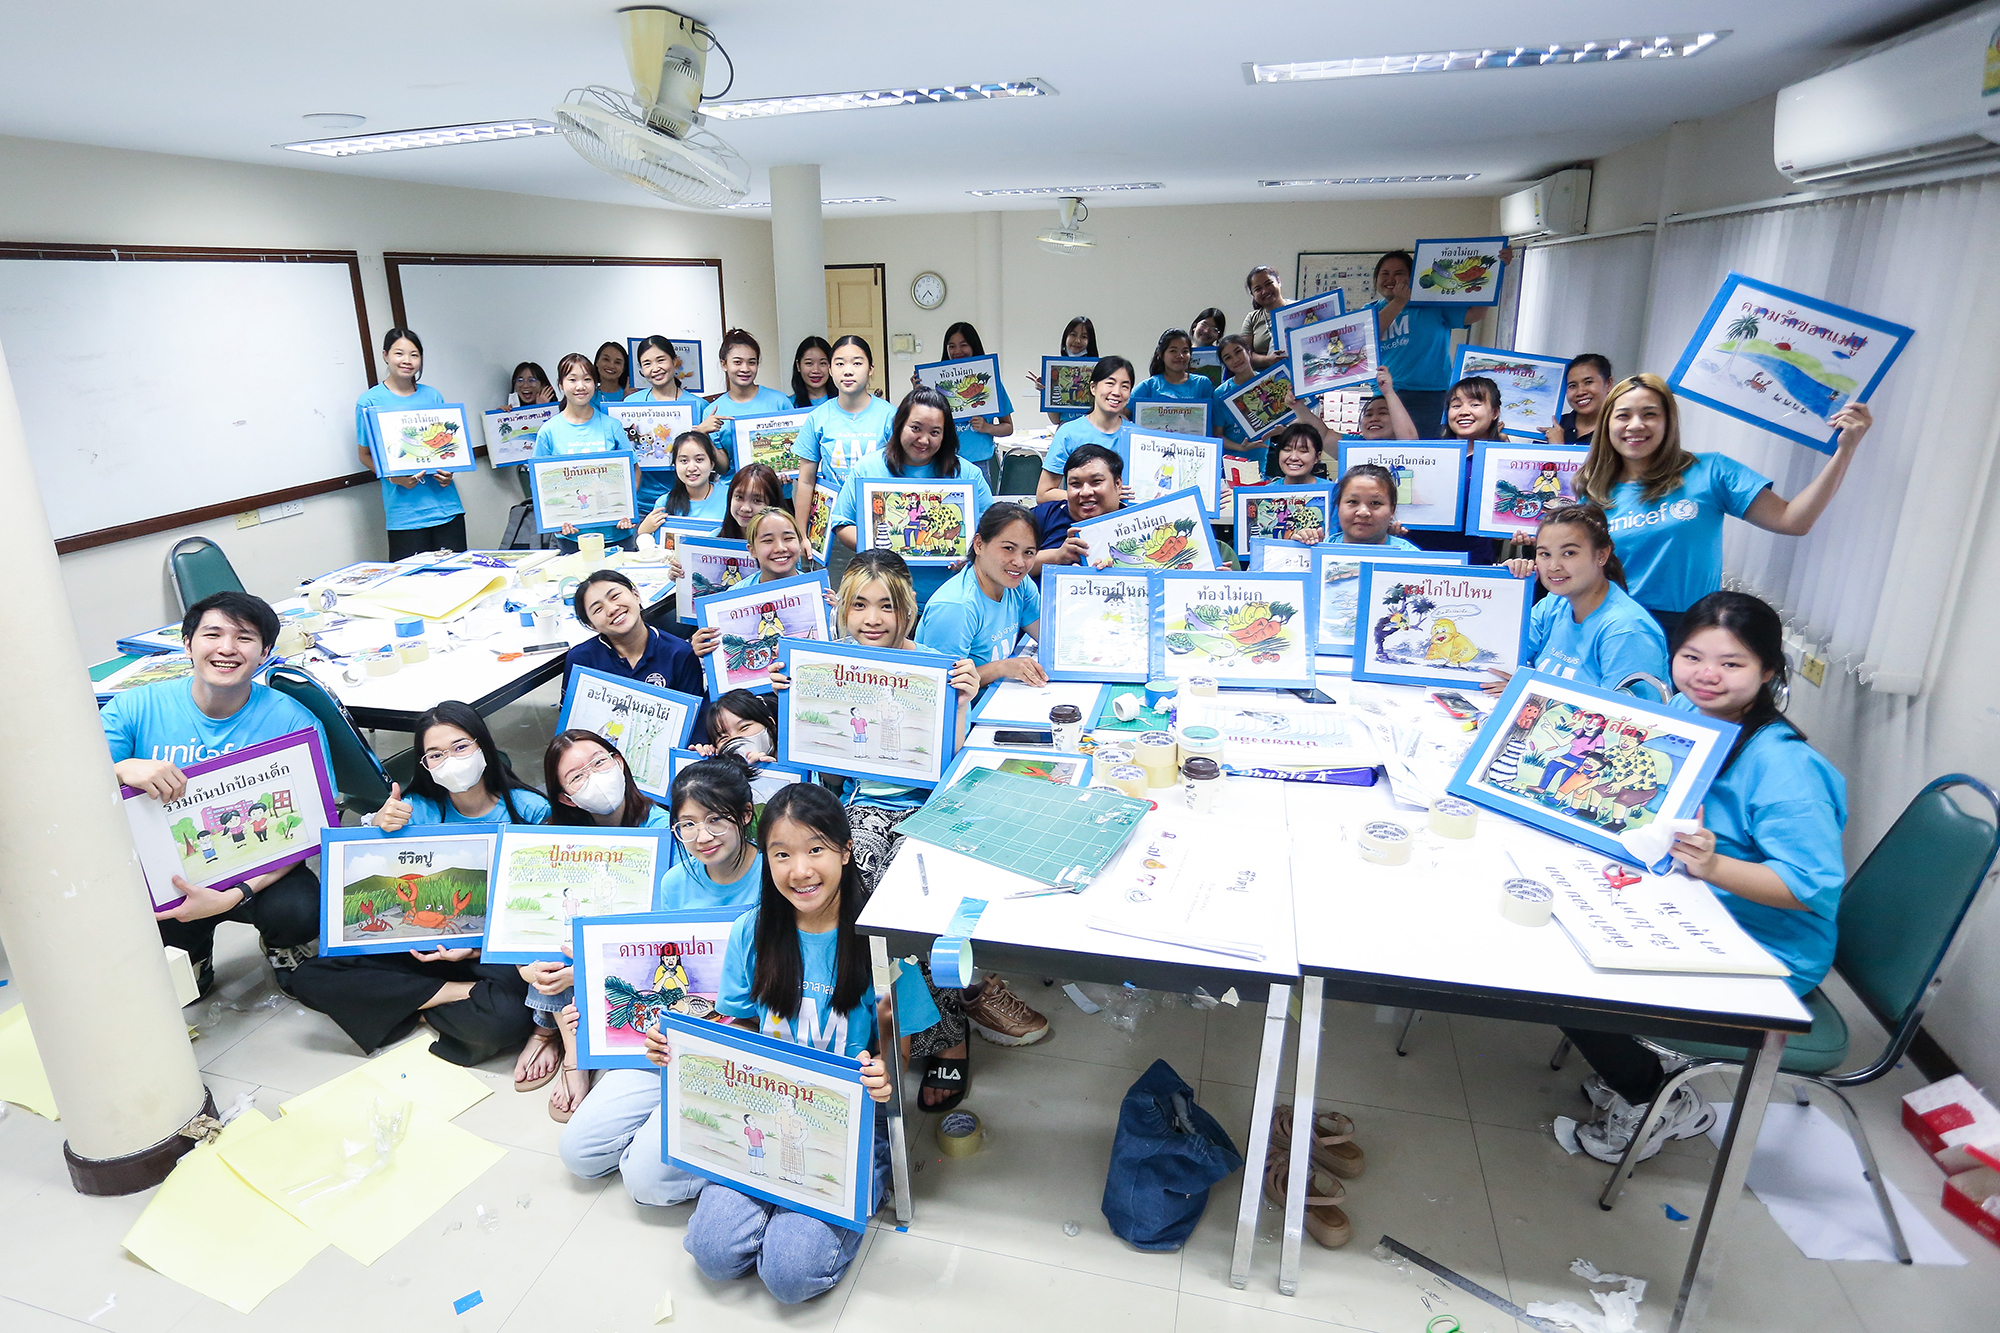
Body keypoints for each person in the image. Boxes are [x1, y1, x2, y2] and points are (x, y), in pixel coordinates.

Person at [1560, 591, 1846, 1164]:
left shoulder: (1785, 766)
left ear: (1768, 671)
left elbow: (1810, 889)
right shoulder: (1691, 716)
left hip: (1765, 944)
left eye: (1732, 663)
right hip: (1692, 904)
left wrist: (1712, 865)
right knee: (1554, 931)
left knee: (1568, 981)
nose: (1707, 675)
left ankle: (1657, 1100)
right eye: (1691, 657)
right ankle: (1636, 1070)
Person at [647, 783, 940, 1304]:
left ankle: (854, 1190)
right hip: (760, 1107)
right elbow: (736, 1026)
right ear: (767, 858)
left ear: (846, 852)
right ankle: (777, 1208)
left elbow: (900, 1051)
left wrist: (882, 1073)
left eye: (816, 850)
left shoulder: (883, 942)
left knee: (790, 1275)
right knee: (713, 1252)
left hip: (846, 1120)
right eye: (782, 854)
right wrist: (686, 1050)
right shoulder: (752, 931)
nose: (799, 870)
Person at [774, 550, 1046, 1107]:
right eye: (859, 605)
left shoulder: (934, 667)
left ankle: (950, 1030)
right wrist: (787, 695)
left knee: (918, 891)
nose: (873, 618)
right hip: (860, 808)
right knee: (858, 883)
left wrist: (963, 699)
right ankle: (876, 1022)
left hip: (935, 803)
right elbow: (812, 760)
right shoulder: (824, 666)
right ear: (842, 610)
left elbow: (952, 760)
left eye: (887, 606)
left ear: (907, 611)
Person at [287, 702, 551, 1066]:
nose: (451, 760)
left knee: (506, 1022)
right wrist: (376, 825)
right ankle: (457, 995)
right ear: (424, 764)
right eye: (436, 754)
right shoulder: (416, 808)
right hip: (419, 947)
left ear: (483, 745)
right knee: (307, 976)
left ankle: (408, 1006)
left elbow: (537, 910)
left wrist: (474, 951)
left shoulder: (529, 810)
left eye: (461, 747)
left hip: (487, 953)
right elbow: (365, 860)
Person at [559, 754, 765, 1206]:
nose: (701, 837)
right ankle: (670, 1128)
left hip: (738, 1045)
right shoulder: (676, 881)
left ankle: (726, 1154)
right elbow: (662, 963)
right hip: (671, 1039)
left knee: (646, 1183)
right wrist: (593, 984)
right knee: (578, 1154)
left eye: (715, 820)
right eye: (686, 825)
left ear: (746, 815)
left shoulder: (775, 878)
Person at [102, 592, 331, 993]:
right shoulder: (135, 707)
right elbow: (70, 787)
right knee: (170, 957)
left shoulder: (294, 721)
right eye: (212, 634)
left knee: (300, 910)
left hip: (257, 868)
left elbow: (312, 827)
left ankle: (280, 944)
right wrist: (118, 768)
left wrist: (236, 894)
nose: (227, 648)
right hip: (168, 872)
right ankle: (194, 956)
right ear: (187, 644)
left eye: (244, 638)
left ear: (265, 653)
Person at [1576, 373, 1871, 640]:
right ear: (1607, 425)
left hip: (1690, 629)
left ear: (1668, 422)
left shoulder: (1711, 471)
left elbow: (1793, 520)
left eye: (1650, 414)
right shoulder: (1594, 492)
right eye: (1623, 416)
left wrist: (1846, 450)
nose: (1636, 425)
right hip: (1614, 627)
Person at [525, 729, 676, 1120]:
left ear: (620, 763)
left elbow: (663, 927)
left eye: (600, 762)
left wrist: (589, 969)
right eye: (576, 777)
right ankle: (573, 1050)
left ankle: (555, 1035)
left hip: (635, 954)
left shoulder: (665, 826)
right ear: (565, 797)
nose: (594, 777)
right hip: (576, 958)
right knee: (555, 936)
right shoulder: (559, 839)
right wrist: (525, 965)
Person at [829, 386, 994, 605]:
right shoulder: (867, 469)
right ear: (899, 425)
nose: (924, 440)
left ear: (945, 435)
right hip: (884, 599)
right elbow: (842, 523)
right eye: (916, 428)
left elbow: (992, 530)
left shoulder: (967, 474)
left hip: (949, 601)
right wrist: (877, 546)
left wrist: (972, 554)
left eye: (935, 432)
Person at [1488, 502, 1668, 698]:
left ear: (1601, 555)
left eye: (1569, 553)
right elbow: (1499, 656)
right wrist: (1507, 588)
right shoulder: (1554, 603)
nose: (1554, 566)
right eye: (1545, 554)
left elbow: (1624, 718)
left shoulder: (1627, 631)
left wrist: (1530, 694)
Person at [1366, 246, 1512, 438]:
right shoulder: (1370, 311)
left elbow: (1476, 313)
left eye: (1399, 273)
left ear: (1412, 278)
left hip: (1431, 396)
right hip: (1386, 395)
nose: (1391, 279)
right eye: (1384, 273)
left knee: (1425, 454)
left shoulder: (1432, 305)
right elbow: (1370, 336)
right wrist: (1399, 302)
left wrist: (1497, 270)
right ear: (1376, 279)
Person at [355, 327, 465, 560]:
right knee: (412, 587)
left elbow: (447, 448)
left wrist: (449, 473)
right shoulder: (370, 401)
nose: (407, 360)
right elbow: (364, 454)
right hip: (405, 515)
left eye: (414, 355)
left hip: (446, 508)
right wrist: (392, 476)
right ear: (385, 355)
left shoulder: (432, 396)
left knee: (458, 579)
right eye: (399, 354)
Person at [916, 502, 1044, 683]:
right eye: (1008, 548)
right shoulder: (956, 607)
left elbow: (1050, 637)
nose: (1019, 562)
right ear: (978, 545)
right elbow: (942, 683)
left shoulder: (1019, 584)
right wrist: (1001, 668)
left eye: (1028, 552)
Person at [533, 352, 636, 553]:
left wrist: (627, 511)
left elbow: (633, 470)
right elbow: (540, 481)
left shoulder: (612, 426)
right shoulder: (549, 431)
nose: (580, 386)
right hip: (572, 536)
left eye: (587, 379)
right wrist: (556, 517)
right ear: (561, 385)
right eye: (572, 379)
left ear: (595, 384)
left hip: (616, 533)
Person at [795, 336, 892, 537]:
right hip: (832, 526)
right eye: (839, 363)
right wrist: (800, 534)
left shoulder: (891, 416)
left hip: (883, 520)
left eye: (857, 363)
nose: (848, 370)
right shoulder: (817, 418)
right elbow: (805, 481)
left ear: (870, 369)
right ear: (830, 370)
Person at [561, 568, 706, 703]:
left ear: (635, 595)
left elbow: (694, 719)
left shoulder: (680, 653)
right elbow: (572, 721)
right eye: (598, 609)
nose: (612, 609)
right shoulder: (581, 660)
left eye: (615, 596)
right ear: (592, 625)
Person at [1406, 375, 1505, 565]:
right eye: (1456, 405)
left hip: (1472, 563)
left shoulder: (1502, 462)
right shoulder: (1426, 457)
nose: (1464, 412)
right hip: (1417, 556)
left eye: (1475, 404)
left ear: (1494, 412)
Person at [914, 322, 1013, 490]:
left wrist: (987, 427)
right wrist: (919, 393)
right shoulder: (937, 383)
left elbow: (1008, 427)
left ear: (974, 346)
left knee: (980, 514)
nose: (957, 351)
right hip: (942, 462)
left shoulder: (992, 385)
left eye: (963, 345)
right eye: (951, 346)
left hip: (979, 464)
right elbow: (921, 423)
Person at [627, 335, 713, 513]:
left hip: (686, 502)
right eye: (647, 363)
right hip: (642, 504)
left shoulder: (699, 406)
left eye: (661, 360)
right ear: (641, 369)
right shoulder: (629, 404)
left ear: (674, 362)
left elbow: (712, 459)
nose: (655, 368)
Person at [1036, 356, 1136, 500]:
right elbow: (1043, 493)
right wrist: (1096, 496)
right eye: (1110, 383)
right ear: (1093, 388)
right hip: (1082, 519)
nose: (1117, 392)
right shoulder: (1069, 433)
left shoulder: (1137, 436)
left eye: (1125, 386)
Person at [694, 329, 794, 466]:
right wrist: (703, 434)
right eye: (737, 362)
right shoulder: (713, 412)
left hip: (773, 486)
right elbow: (723, 468)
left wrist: (788, 469)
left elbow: (795, 449)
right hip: (734, 487)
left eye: (751, 362)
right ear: (724, 364)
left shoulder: (780, 402)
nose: (745, 368)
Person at [1032, 443, 1123, 568]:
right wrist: (1056, 556)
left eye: (1096, 482)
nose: (1085, 492)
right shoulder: (1045, 515)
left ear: (1118, 484)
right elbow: (1004, 562)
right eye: (1075, 484)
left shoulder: (1139, 524)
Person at [637, 430, 729, 533]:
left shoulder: (729, 497)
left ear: (712, 464)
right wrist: (642, 532)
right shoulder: (664, 503)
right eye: (684, 461)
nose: (691, 468)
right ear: (675, 465)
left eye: (699, 460)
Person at [1027, 315, 1100, 427]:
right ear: (1065, 337)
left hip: (1091, 431)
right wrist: (1046, 392)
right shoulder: (1056, 371)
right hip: (1065, 430)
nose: (1077, 340)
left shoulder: (1100, 371)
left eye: (1084, 336)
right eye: (1073, 334)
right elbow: (1055, 420)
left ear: (1090, 341)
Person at [1130, 329, 1217, 418]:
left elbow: (1213, 418)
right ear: (1160, 354)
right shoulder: (1148, 386)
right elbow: (1123, 413)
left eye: (1185, 351)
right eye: (1173, 351)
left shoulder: (1202, 384)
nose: (1180, 356)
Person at [1332, 464, 1422, 549]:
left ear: (1392, 510)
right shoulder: (1321, 549)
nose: (1363, 512)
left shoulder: (1412, 559)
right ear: (1338, 506)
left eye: (1375, 503)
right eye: (1353, 502)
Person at [1547, 353, 1614, 445]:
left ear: (1608, 384)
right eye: (1573, 385)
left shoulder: (1619, 429)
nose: (1580, 392)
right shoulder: (1555, 426)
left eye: (1588, 382)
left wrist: (1558, 449)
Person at [1352, 367, 1420, 441]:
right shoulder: (1355, 440)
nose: (1373, 419)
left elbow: (1409, 440)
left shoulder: (1401, 446)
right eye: (1368, 415)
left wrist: (1388, 391)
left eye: (1382, 413)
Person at [1241, 265, 1288, 371]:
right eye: (1258, 289)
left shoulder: (1299, 309)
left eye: (1268, 284)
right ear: (1252, 294)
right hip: (1266, 382)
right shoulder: (1252, 318)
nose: (1265, 291)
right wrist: (1267, 360)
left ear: (1279, 282)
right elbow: (1244, 354)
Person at [789, 335, 834, 408]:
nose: (816, 370)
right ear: (798, 366)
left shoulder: (843, 402)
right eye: (809, 363)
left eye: (822, 363)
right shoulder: (789, 405)